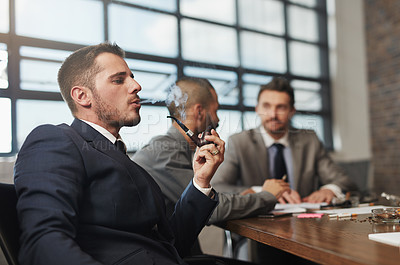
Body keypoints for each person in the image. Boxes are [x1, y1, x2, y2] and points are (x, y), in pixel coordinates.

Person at [13, 43, 234, 265]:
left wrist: (200, 182)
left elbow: (170, 246)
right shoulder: (55, 140)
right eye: (119, 80)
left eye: (132, 77)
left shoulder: (125, 161)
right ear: (82, 96)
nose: (136, 86)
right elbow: (43, 245)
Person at [133, 76, 289, 221]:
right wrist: (268, 196)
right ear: (199, 112)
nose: (218, 119)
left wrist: (244, 196)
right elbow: (211, 207)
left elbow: (206, 197)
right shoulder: (165, 153)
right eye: (215, 111)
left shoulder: (176, 149)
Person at [211, 76, 357, 205]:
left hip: (303, 225)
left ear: (292, 111)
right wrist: (262, 191)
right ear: (257, 109)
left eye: (280, 107)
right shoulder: (239, 142)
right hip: (255, 227)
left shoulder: (310, 140)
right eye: (266, 106)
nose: (273, 114)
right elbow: (218, 187)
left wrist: (329, 190)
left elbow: (343, 180)